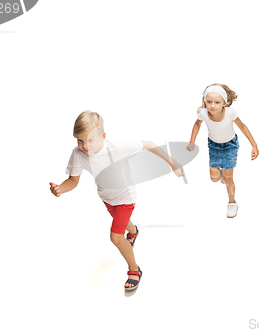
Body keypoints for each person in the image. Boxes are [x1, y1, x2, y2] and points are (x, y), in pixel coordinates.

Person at [50, 111, 183, 291]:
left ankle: (134, 269)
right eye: (80, 140)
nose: (84, 146)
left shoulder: (116, 148)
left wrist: (172, 162)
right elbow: (73, 181)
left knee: (116, 236)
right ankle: (134, 231)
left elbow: (149, 144)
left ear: (103, 136)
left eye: (90, 140)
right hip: (106, 197)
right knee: (123, 222)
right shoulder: (77, 154)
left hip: (125, 196)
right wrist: (60, 189)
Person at [187, 83, 259, 218]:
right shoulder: (203, 113)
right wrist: (192, 141)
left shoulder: (230, 113)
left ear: (224, 103)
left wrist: (254, 145)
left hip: (230, 146)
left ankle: (232, 203)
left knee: (228, 178)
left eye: (217, 102)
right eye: (209, 102)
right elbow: (197, 124)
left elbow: (243, 127)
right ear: (205, 102)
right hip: (213, 146)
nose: (212, 106)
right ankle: (223, 175)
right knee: (214, 178)